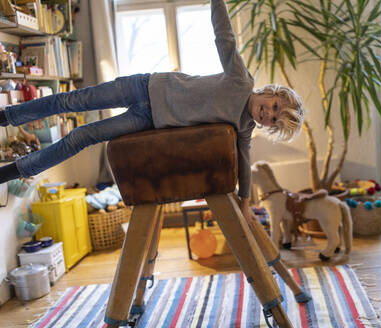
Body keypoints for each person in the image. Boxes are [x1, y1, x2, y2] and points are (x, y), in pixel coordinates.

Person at [0, 0, 304, 222]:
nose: (269, 114)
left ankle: (13, 171)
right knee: (70, 101)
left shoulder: (244, 128)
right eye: (275, 107)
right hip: (144, 87)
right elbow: (224, 38)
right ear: (270, 92)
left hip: (147, 120)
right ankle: (7, 117)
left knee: (82, 136)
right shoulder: (241, 80)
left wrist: (245, 200)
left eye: (274, 120)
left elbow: (244, 160)